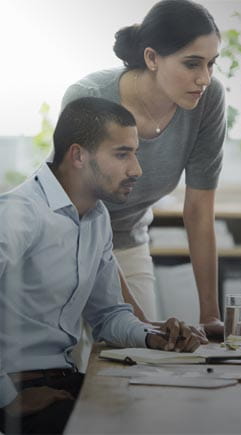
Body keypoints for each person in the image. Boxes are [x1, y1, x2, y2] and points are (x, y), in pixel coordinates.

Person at [0, 97, 200, 435]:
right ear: (78, 155)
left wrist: (154, 337)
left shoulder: (96, 217)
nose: (136, 169)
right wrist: (5, 401)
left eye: (134, 153)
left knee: (177, 410)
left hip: (68, 381)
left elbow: (108, 316)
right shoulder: (18, 214)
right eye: (122, 154)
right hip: (21, 387)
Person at [61, 0, 226, 337]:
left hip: (129, 242)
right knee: (80, 370)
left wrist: (211, 316)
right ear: (152, 58)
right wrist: (135, 321)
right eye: (192, 64)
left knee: (139, 366)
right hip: (71, 243)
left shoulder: (207, 101)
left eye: (211, 64)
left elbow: (198, 210)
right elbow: (80, 214)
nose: (204, 78)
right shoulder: (89, 99)